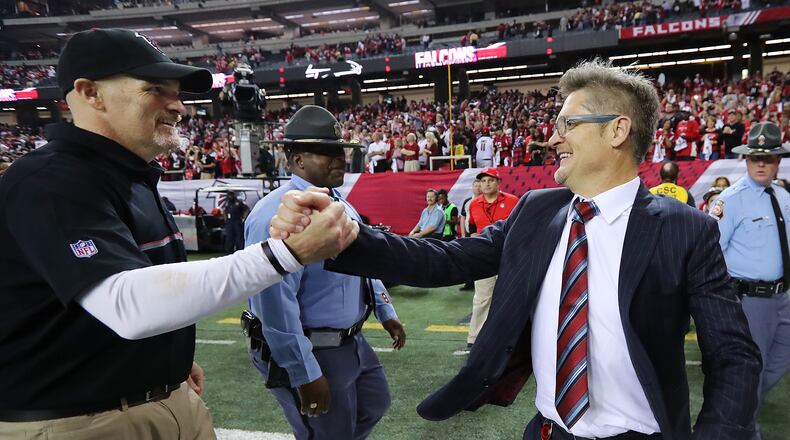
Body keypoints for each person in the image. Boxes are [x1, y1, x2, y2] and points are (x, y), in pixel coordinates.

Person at [274, 59, 761, 439]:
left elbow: (734, 356)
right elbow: (447, 258)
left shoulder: (686, 230)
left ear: (617, 130)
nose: (553, 137)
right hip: (548, 432)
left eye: (568, 123)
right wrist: (349, 237)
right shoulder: (537, 210)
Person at [0, 28, 356, 440]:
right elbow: (126, 304)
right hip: (81, 420)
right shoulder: (49, 181)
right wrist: (286, 254)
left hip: (157, 397)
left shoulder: (129, 175)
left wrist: (165, 361)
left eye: (178, 93)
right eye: (155, 89)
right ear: (90, 93)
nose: (179, 106)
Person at [244, 105, 405, 440]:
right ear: (297, 159)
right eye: (327, 152)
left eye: (340, 151)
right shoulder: (274, 214)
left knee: (374, 404)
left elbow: (365, 261)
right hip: (314, 347)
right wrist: (303, 372)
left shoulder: (341, 205)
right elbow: (274, 304)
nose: (339, 160)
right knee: (328, 432)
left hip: (351, 339)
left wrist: (384, 309)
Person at [714, 122, 790, 440]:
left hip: (783, 298)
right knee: (752, 374)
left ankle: (742, 410)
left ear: (777, 162)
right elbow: (712, 255)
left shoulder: (785, 197)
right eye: (755, 157)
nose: (761, 164)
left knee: (779, 362)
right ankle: (748, 430)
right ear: (746, 160)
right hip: (749, 301)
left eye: (768, 158)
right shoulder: (730, 200)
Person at [463, 168, 518, 352]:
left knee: (510, 298)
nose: (486, 184)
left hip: (507, 255)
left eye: (491, 180)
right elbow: (472, 229)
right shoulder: (474, 204)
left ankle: (512, 338)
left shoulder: (512, 201)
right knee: (482, 298)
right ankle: (474, 337)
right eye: (483, 180)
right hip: (483, 256)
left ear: (498, 182)